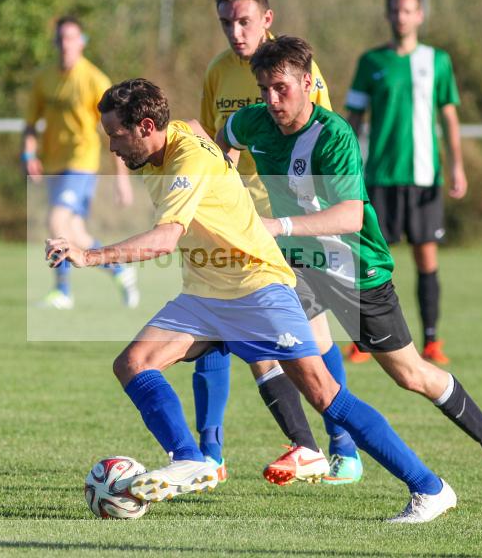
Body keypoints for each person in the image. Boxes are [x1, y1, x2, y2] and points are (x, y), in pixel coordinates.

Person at [46, 77, 457, 523]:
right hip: (207, 293)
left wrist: (89, 255)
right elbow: (191, 126)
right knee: (133, 363)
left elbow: (165, 239)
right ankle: (191, 458)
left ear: (145, 126)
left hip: (258, 286)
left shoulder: (186, 162)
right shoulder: (170, 138)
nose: (112, 148)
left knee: (324, 394)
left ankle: (429, 488)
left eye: (116, 135)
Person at [217, 35, 482, 506]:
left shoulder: (332, 134)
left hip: (355, 272)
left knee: (411, 375)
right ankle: (309, 448)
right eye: (263, 89)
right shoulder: (253, 122)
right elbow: (225, 140)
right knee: (271, 341)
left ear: (307, 83)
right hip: (300, 267)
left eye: (280, 88)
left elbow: (350, 216)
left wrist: (274, 224)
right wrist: (226, 181)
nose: (271, 100)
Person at [195, 0, 362, 487]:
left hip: (288, 226)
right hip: (236, 224)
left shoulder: (297, 71)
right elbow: (214, 143)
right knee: (224, 332)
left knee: (303, 337)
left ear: (267, 19)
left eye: (244, 21)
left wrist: (295, 221)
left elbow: (323, 140)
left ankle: (340, 444)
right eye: (227, 22)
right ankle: (210, 455)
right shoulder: (219, 72)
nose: (235, 32)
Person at [344, 0, 467, 365]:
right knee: (367, 258)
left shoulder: (437, 61)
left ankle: (431, 340)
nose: (401, 16)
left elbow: (448, 115)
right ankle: (361, 340)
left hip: (424, 177)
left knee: (425, 258)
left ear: (420, 15)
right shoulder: (371, 62)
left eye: (408, 10)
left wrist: (457, 165)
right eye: (395, 10)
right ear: (388, 14)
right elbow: (353, 118)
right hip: (379, 176)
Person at [23, 15, 139, 310]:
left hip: (81, 162)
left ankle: (62, 291)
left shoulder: (94, 80)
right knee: (76, 236)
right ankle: (120, 271)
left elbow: (115, 132)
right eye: (61, 38)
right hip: (53, 164)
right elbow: (30, 124)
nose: (66, 44)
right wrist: (29, 154)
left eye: (72, 38)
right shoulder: (44, 79)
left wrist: (122, 180)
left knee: (56, 221)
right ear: (55, 42)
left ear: (82, 42)